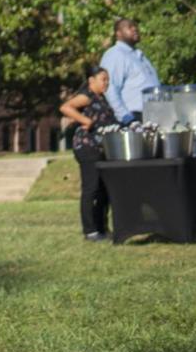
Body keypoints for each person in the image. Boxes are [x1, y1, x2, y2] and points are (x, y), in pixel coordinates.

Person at [60, 65, 118, 241]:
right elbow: (66, 107)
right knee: (91, 189)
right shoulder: (86, 96)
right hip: (87, 147)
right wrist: (85, 120)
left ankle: (102, 227)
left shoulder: (102, 98)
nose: (106, 83)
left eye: (108, 79)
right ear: (91, 80)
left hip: (102, 148)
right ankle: (90, 231)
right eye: (103, 79)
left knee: (104, 190)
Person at [100, 18, 160, 125]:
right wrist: (125, 117)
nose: (135, 29)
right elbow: (109, 88)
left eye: (135, 26)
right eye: (129, 27)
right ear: (118, 34)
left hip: (154, 116)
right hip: (134, 118)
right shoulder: (115, 54)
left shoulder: (139, 56)